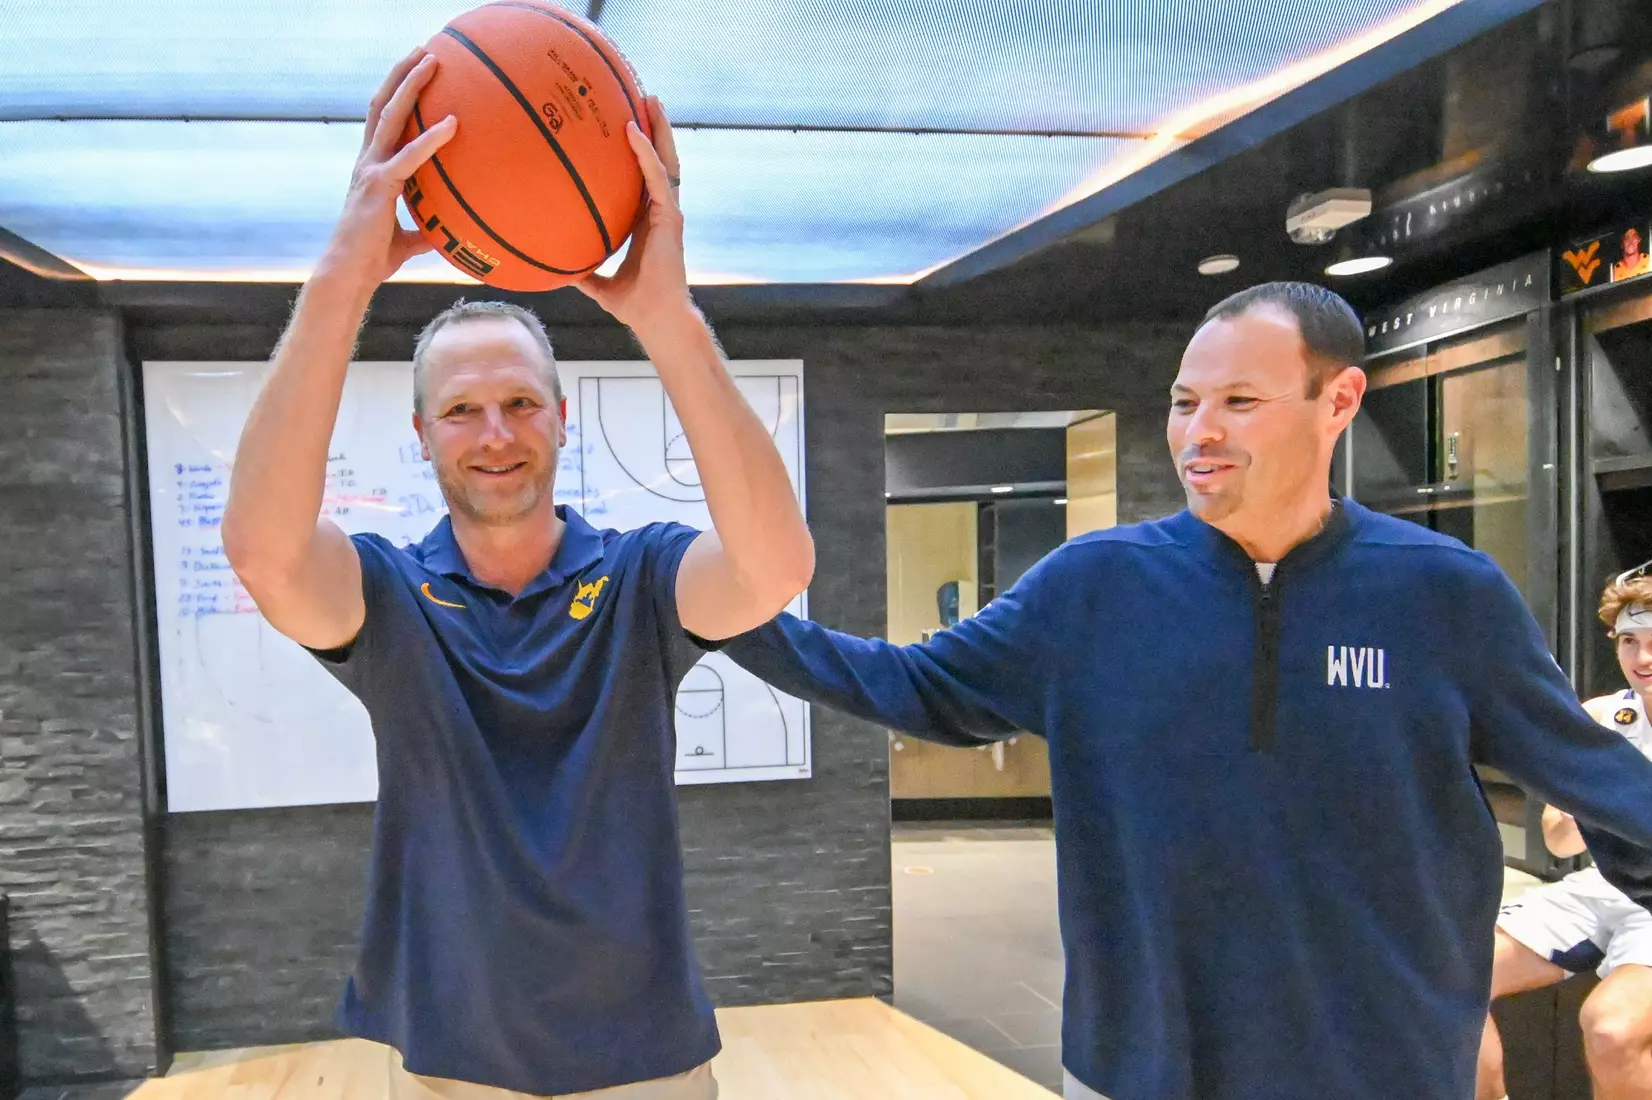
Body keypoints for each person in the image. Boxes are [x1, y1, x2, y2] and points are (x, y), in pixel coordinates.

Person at [716, 282, 1652, 1100]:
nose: (1200, 432)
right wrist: (722, 614)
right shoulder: (1094, 586)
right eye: (1184, 401)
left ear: (1340, 400)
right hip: (1144, 1065)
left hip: (1386, 1062)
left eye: (1240, 401)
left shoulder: (1446, 592)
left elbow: (1597, 778)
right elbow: (916, 685)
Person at [220, 50, 814, 1100]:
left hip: (647, 1057)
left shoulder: (639, 577)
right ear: (421, 435)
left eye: (520, 403)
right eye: (461, 410)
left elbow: (773, 566)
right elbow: (265, 551)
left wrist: (664, 318)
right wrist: (343, 274)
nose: (494, 433)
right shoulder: (391, 597)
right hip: (454, 1058)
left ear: (559, 416)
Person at [1478, 564, 1652, 1100]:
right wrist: (1596, 789)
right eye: (1629, 640)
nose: (1642, 659)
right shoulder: (1602, 717)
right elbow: (1557, 840)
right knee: (1444, 978)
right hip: (1599, 887)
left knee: (1611, 1028)